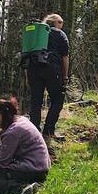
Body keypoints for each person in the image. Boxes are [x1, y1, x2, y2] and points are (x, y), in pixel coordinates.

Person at [27, 13, 70, 143]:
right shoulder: (60, 34)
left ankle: (34, 133)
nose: (62, 25)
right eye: (61, 22)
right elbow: (65, 57)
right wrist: (65, 75)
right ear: (54, 23)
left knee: (36, 102)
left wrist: (27, 76)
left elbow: (28, 55)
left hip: (33, 69)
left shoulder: (36, 35)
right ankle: (49, 131)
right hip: (52, 70)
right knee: (57, 100)